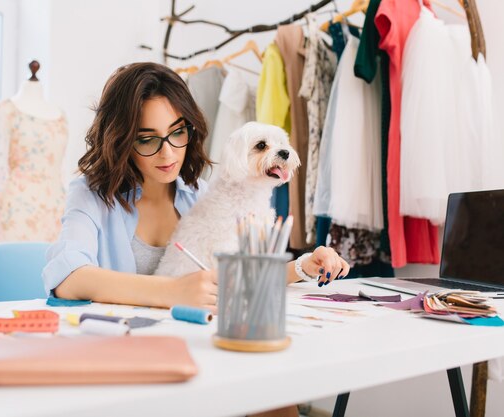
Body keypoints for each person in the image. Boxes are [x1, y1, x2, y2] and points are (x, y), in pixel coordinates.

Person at [42, 62, 350, 313]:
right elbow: (67, 277)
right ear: (120, 139)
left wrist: (303, 266)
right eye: (147, 138)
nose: (169, 153)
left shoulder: (200, 196)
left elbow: (237, 277)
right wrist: (171, 291)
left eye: (178, 132)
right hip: (118, 348)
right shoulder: (90, 195)